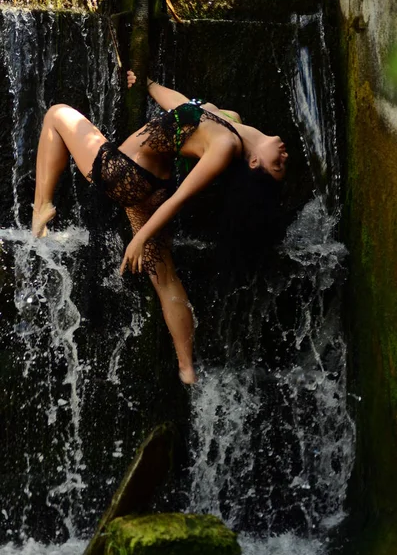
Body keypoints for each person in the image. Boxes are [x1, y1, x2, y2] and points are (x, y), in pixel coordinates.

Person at [32, 71, 288, 384]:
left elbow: (182, 197)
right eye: (282, 163)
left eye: (278, 165)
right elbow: (182, 104)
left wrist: (140, 237)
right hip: (151, 187)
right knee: (165, 278)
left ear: (254, 163)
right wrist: (147, 84)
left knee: (57, 114)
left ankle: (42, 206)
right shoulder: (228, 119)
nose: (284, 156)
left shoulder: (225, 146)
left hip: (124, 174)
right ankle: (186, 368)